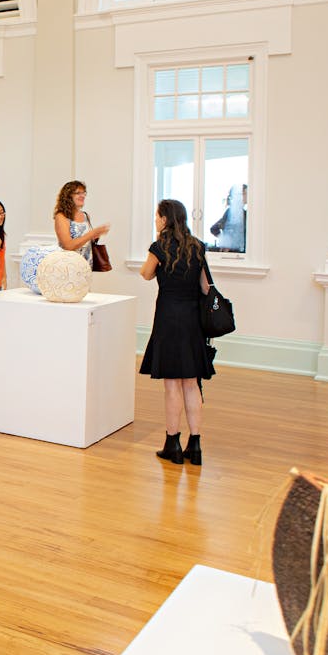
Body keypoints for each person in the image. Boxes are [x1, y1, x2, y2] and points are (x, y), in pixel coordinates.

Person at [139, 199, 215, 466]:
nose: (155, 220)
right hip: (192, 320)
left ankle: (173, 443)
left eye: (157, 216)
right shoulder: (197, 246)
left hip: (168, 319)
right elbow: (206, 287)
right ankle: (195, 446)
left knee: (172, 384)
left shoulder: (159, 247)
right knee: (191, 383)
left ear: (164, 219)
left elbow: (146, 274)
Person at [53, 180, 109, 263]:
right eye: (78, 193)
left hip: (86, 265)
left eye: (83, 193)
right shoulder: (61, 217)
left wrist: (95, 236)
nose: (82, 196)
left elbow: (85, 240)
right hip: (69, 266)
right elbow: (68, 246)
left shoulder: (85, 216)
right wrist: (91, 234)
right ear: (68, 196)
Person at [209, 183, 247, 253]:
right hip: (233, 253)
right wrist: (225, 242)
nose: (247, 196)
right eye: (244, 194)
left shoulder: (246, 214)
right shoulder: (231, 213)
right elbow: (214, 229)